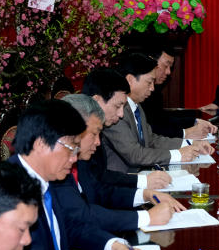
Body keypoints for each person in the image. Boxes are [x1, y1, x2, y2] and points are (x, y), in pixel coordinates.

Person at [10, 99, 160, 250]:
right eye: (71, 148)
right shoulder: (8, 189)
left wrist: (113, 246)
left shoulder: (46, 176)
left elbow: (70, 228)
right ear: (41, 144)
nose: (74, 158)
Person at [52, 94, 185, 233]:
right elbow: (83, 215)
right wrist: (146, 217)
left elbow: (99, 192)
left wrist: (145, 195)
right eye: (94, 134)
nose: (98, 142)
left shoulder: (79, 161)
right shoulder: (57, 169)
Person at [102, 53, 214, 171]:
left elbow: (152, 140)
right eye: (149, 82)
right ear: (130, 80)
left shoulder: (136, 106)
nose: (152, 88)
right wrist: (179, 154)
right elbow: (135, 154)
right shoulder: (116, 111)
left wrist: (191, 144)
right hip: (124, 178)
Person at [81, 68, 171, 190]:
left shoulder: (98, 131)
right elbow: (97, 185)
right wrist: (143, 182)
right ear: (96, 100)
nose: (121, 114)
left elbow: (101, 176)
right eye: (117, 106)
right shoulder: (79, 136)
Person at [138, 48, 217, 139]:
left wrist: (195, 121)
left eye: (170, 67)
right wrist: (185, 133)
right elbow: (151, 130)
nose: (168, 72)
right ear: (151, 61)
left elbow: (163, 120)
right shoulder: (138, 93)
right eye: (166, 66)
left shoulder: (156, 93)